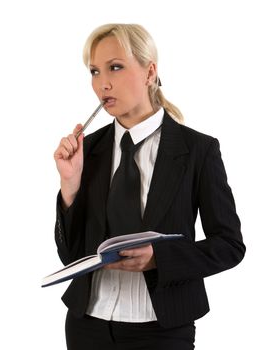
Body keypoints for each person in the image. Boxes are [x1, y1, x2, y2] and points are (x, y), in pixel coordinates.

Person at [53, 23, 246, 350]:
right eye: (95, 72)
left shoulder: (198, 150)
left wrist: (161, 257)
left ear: (149, 71)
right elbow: (70, 256)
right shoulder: (90, 151)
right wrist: (69, 185)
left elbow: (229, 245)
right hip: (87, 327)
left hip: (161, 330)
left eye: (115, 67)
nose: (103, 83)